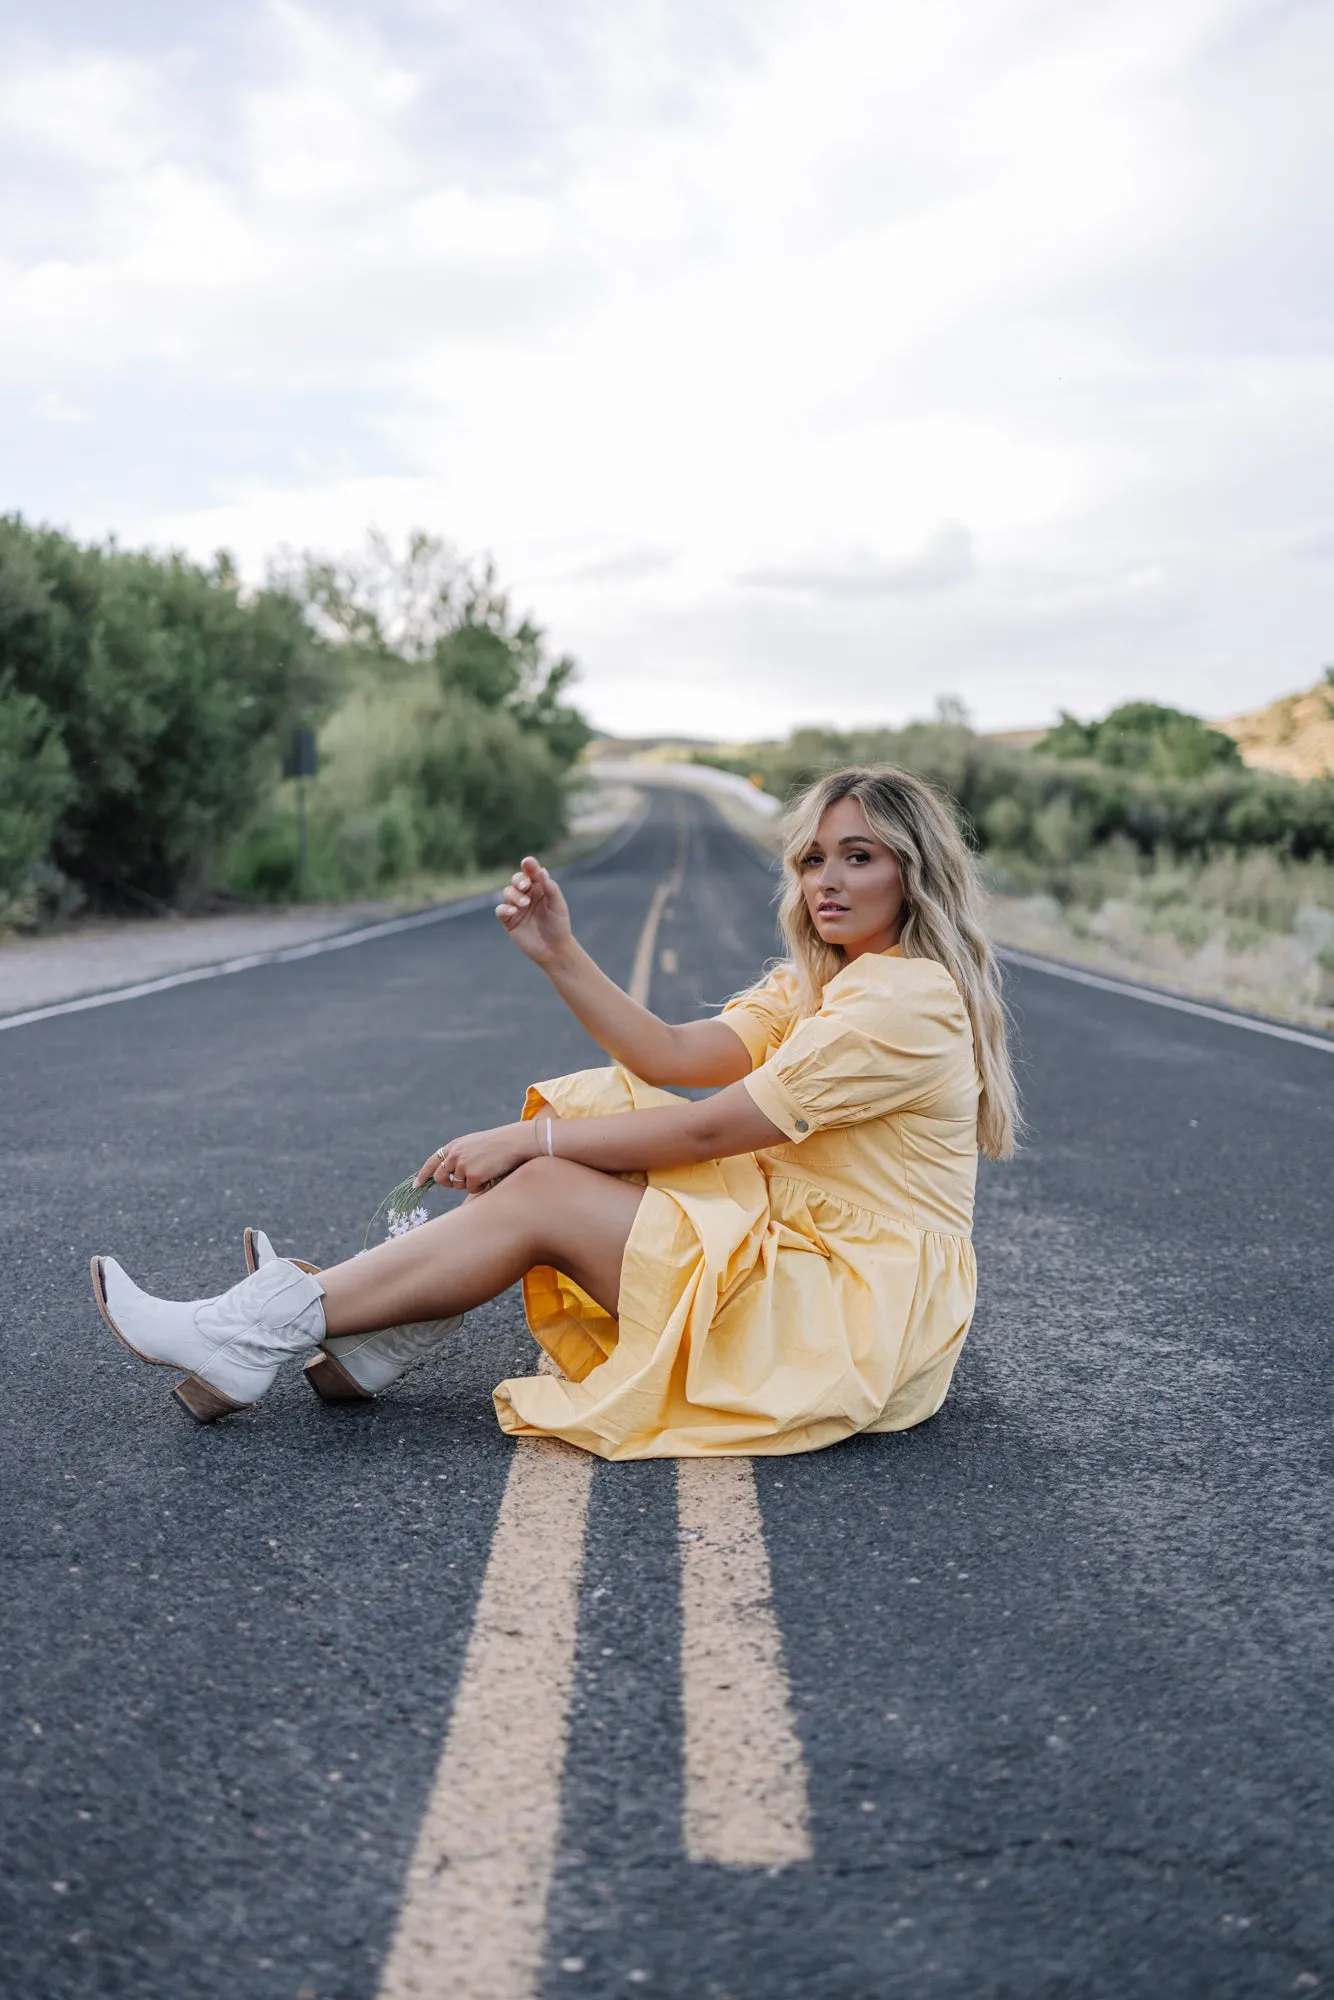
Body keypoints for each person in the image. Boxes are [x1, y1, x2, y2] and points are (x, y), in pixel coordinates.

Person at [91, 766, 1019, 1455]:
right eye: (813, 858)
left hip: (842, 1316)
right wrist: (558, 951)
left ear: (914, 872)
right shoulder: (823, 983)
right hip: (802, 1263)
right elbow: (670, 1056)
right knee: (603, 1105)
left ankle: (256, 1330)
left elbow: (709, 1127)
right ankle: (362, 1322)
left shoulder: (902, 1001)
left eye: (858, 858)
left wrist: (526, 1139)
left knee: (545, 1185)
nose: (827, 880)